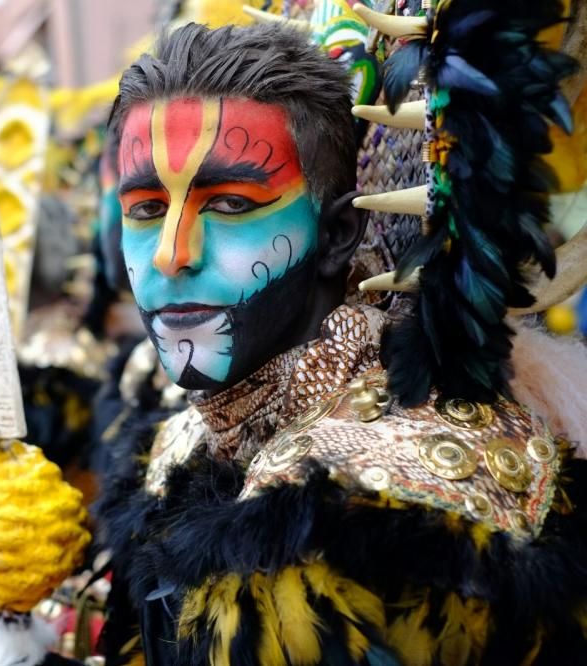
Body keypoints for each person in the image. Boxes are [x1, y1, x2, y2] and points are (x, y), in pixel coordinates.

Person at [95, 17, 587, 665]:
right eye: (147, 210)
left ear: (335, 237)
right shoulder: (176, 444)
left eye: (232, 206)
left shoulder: (422, 513)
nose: (169, 256)